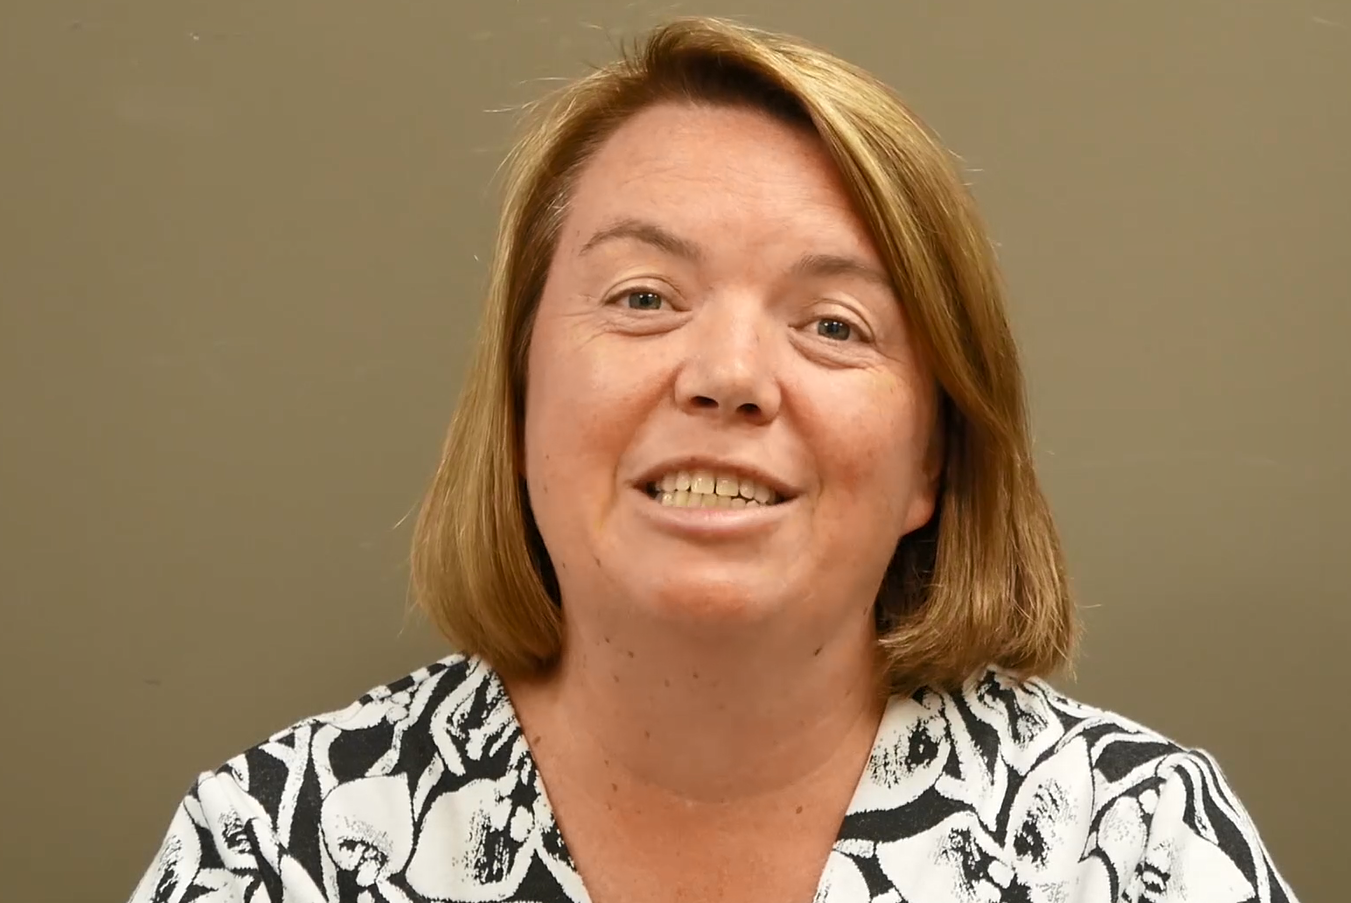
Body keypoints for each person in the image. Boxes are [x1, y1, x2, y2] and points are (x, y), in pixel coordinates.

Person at [128, 16, 1297, 903]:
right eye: (643, 297)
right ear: (521, 400)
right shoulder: (277, 847)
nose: (728, 374)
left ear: (931, 466)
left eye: (833, 324)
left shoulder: (1132, 846)